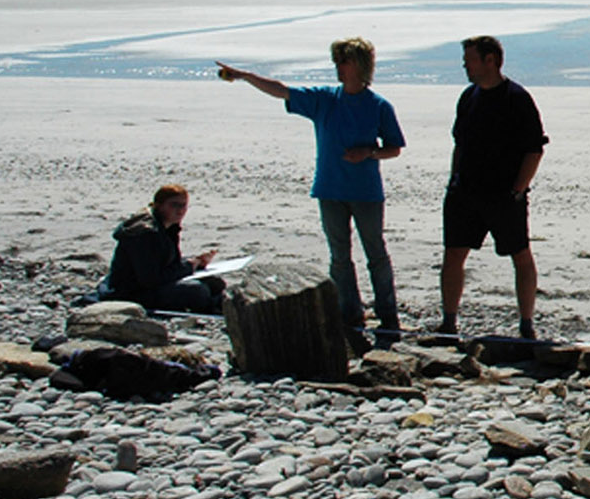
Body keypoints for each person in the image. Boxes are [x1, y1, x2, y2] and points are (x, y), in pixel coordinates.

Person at [219, 39, 404, 333]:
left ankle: (388, 315)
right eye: (337, 62)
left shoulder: (379, 106)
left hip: (366, 192)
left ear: (359, 65)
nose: (338, 69)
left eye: (343, 62)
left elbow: (394, 147)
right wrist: (245, 76)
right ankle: (350, 313)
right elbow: (282, 90)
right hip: (330, 190)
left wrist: (368, 152)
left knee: (376, 254)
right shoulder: (324, 99)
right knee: (339, 257)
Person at [440, 35, 548, 340]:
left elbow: (535, 149)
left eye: (470, 60)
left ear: (490, 60)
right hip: (466, 193)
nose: (465, 66)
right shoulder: (468, 97)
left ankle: (527, 324)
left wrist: (518, 190)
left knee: (521, 256)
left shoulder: (517, 98)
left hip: (504, 196)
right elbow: (459, 144)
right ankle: (449, 322)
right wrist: (454, 181)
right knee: (453, 256)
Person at [99, 183, 224, 314]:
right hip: (132, 291)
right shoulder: (145, 233)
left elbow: (167, 263)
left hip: (153, 282)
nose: (180, 210)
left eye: (183, 205)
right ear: (159, 205)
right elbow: (151, 279)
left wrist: (196, 262)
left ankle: (216, 305)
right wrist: (188, 266)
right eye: (174, 205)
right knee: (198, 291)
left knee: (215, 282)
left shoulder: (168, 227)